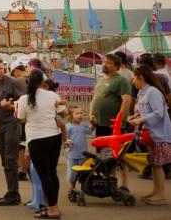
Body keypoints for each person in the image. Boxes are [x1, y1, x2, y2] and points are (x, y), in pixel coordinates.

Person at [16, 69, 67, 219]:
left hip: (36, 139)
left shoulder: (24, 99)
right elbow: (63, 113)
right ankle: (52, 205)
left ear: (28, 81)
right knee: (52, 173)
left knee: (44, 175)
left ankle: (52, 209)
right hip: (54, 137)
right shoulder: (52, 95)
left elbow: (21, 118)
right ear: (42, 82)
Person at [0, 56, 26, 206]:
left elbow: (23, 103)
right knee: (5, 161)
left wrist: (10, 106)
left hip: (11, 124)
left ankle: (13, 194)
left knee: (10, 159)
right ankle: (11, 192)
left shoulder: (13, 83)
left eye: (1, 68)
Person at [127, 64, 171, 205]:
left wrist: (140, 119)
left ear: (141, 78)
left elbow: (159, 113)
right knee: (153, 163)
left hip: (158, 134)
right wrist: (134, 117)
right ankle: (155, 191)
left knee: (157, 164)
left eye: (134, 78)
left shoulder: (153, 92)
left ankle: (161, 194)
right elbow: (143, 111)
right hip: (149, 133)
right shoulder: (142, 92)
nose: (133, 81)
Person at [90, 53, 132, 189]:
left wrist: (120, 118)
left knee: (118, 156)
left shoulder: (121, 81)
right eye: (104, 62)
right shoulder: (100, 80)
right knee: (105, 155)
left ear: (116, 66)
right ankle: (109, 183)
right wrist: (91, 113)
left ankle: (124, 185)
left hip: (114, 126)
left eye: (109, 63)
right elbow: (94, 98)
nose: (105, 64)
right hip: (101, 124)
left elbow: (127, 100)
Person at [64, 106, 93, 190]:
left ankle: (84, 187)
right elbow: (65, 138)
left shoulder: (83, 125)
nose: (80, 115)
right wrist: (68, 142)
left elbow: (89, 131)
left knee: (84, 172)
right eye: (76, 113)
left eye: (81, 113)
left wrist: (93, 123)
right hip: (72, 155)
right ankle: (72, 187)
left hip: (83, 154)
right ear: (71, 116)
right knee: (72, 173)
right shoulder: (68, 126)